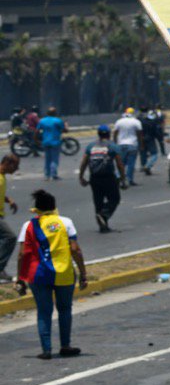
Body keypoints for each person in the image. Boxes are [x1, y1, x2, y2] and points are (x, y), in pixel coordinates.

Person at [15, 189, 86, 360]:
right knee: (65, 309)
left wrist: (20, 278)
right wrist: (83, 273)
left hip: (38, 275)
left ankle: (46, 350)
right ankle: (65, 345)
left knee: (44, 312)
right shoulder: (66, 222)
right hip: (64, 274)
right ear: (54, 207)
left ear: (37, 208)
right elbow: (75, 250)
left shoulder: (29, 225)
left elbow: (22, 254)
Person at [79, 125, 126, 233]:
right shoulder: (112, 146)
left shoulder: (91, 146)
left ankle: (102, 226)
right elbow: (119, 164)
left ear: (98, 134)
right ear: (109, 134)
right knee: (114, 199)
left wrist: (81, 176)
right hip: (108, 177)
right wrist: (123, 178)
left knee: (98, 201)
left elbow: (84, 162)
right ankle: (104, 215)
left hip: (94, 177)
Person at [0, 154, 19, 281]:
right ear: (7, 163)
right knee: (10, 237)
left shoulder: (2, 177)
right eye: (15, 166)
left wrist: (9, 200)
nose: (16, 169)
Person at [113, 107, 143, 187]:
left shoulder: (119, 121)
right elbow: (139, 134)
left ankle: (118, 176)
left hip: (121, 144)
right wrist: (141, 145)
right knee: (131, 164)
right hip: (132, 144)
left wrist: (114, 144)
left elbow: (115, 133)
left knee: (121, 163)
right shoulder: (136, 122)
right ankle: (129, 179)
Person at [37, 107, 67, 181]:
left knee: (47, 159)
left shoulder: (42, 121)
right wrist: (66, 125)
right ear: (55, 113)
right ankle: (54, 174)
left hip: (45, 142)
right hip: (55, 142)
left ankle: (47, 175)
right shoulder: (58, 121)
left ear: (47, 113)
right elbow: (65, 130)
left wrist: (36, 140)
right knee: (54, 159)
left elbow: (37, 131)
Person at [138, 106, 161, 175]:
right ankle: (148, 166)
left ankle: (143, 166)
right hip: (150, 138)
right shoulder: (151, 119)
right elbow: (155, 129)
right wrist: (159, 138)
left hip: (141, 138)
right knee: (154, 154)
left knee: (143, 153)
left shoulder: (138, 119)